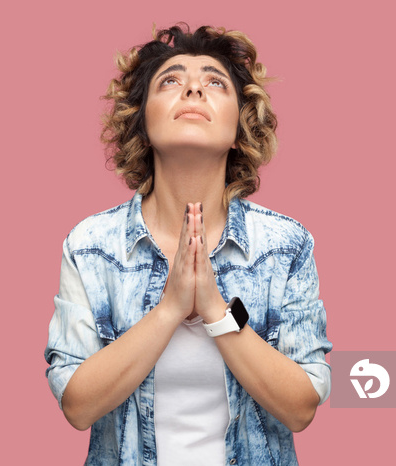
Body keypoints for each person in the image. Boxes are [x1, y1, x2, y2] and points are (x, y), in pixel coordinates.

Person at [44, 24, 332, 465]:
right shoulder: (90, 247)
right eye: (171, 80)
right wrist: (168, 310)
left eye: (215, 82)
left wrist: (217, 309)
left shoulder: (285, 246)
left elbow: (301, 406)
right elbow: (77, 405)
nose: (194, 88)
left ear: (240, 126)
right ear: (142, 123)